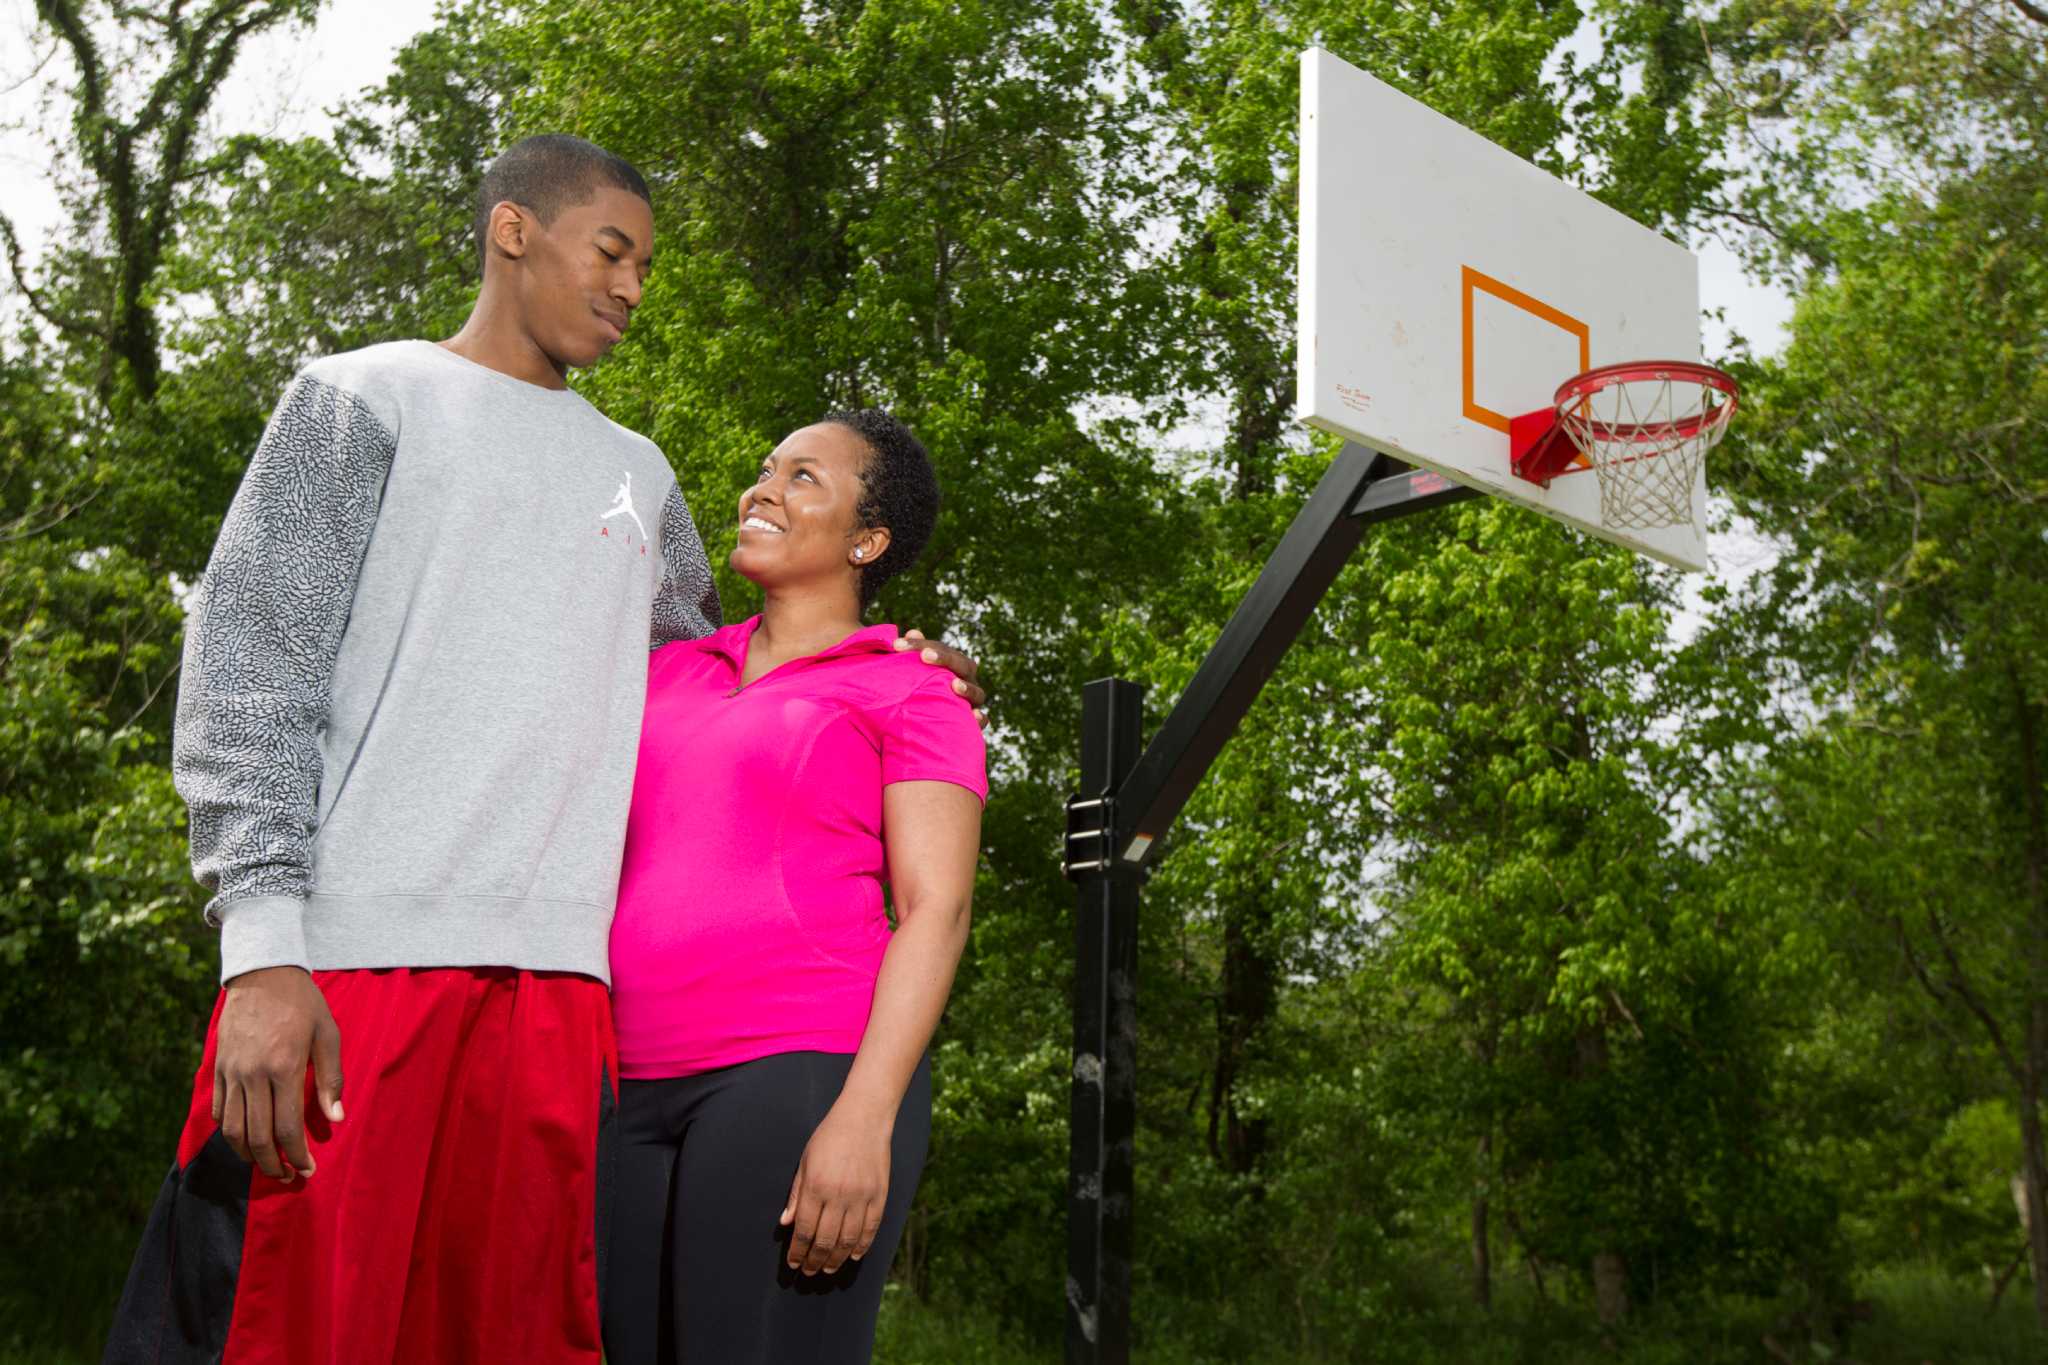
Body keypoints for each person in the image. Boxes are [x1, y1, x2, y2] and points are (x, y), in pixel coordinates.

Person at [102, 135, 984, 1365]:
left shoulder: (640, 478)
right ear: (513, 230)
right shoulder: (363, 397)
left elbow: (733, 672)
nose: (630, 288)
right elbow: (252, 666)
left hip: (566, 1013)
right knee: (287, 1327)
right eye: (610, 252)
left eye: (644, 269)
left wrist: (906, 663)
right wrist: (260, 948)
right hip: (358, 970)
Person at [602, 411, 985, 1364]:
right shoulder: (661, 672)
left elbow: (937, 909)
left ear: (868, 540)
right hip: (618, 1085)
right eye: (767, 467)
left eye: (804, 477)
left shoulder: (912, 691)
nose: (762, 488)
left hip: (796, 1071)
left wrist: (866, 1116)